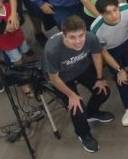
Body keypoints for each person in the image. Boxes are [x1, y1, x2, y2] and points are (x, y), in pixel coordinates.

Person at [43, 15, 113, 153]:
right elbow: (53, 78)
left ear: (85, 32)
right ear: (64, 36)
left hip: (81, 68)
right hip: (62, 77)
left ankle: (91, 113)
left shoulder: (90, 37)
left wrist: (100, 78)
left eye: (81, 35)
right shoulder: (52, 49)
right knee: (77, 108)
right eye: (72, 37)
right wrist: (71, 95)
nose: (78, 41)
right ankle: (83, 133)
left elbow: (96, 55)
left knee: (104, 91)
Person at [90, 0, 128, 127]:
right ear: (101, 14)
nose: (114, 15)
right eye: (108, 13)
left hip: (127, 43)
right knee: (121, 78)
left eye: (115, 10)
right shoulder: (95, 29)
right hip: (111, 51)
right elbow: (104, 53)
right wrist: (119, 70)